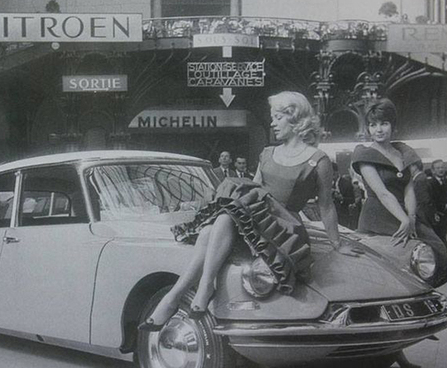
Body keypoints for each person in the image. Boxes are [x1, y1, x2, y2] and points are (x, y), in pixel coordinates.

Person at [140, 92, 360, 331]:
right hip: (254, 223)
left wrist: (337, 243)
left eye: (278, 118)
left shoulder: (318, 160)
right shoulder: (267, 153)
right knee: (211, 228)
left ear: (296, 119)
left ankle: (182, 295)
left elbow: (326, 205)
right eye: (273, 118)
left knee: (218, 224)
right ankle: (188, 292)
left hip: (283, 229)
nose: (273, 123)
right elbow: (251, 192)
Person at [351, 98, 447, 285]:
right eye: (373, 125)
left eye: (384, 123)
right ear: (368, 129)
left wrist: (412, 217)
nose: (378, 129)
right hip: (378, 216)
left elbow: (409, 188)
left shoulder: (403, 152)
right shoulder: (364, 154)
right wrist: (404, 220)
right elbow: (382, 193)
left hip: (406, 213)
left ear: (393, 125)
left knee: (437, 251)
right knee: (392, 264)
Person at [429, 159, 447, 244]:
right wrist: (444, 206)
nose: (441, 170)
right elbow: (431, 201)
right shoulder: (430, 183)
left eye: (442, 167)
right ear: (433, 171)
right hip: (437, 218)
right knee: (440, 241)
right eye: (438, 168)